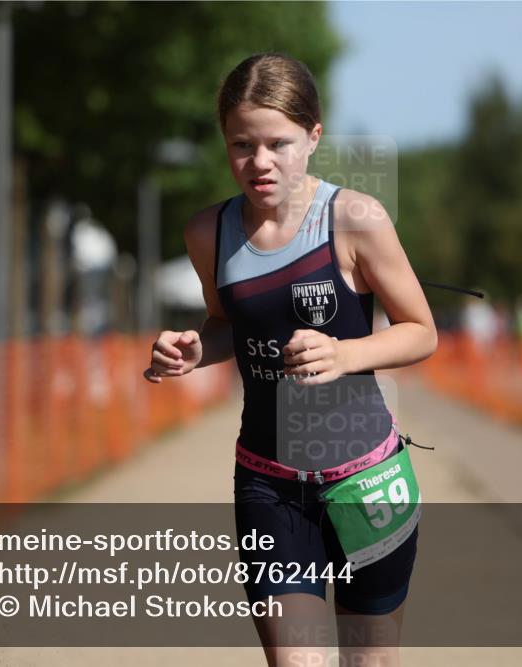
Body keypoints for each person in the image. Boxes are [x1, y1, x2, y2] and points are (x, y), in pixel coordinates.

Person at [144, 52, 437, 667]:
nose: (260, 162)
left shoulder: (355, 218)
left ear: (313, 138)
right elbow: (226, 324)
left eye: (278, 143)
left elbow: (421, 331)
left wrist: (345, 351)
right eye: (241, 144)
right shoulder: (208, 232)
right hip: (268, 485)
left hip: (366, 480)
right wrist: (197, 350)